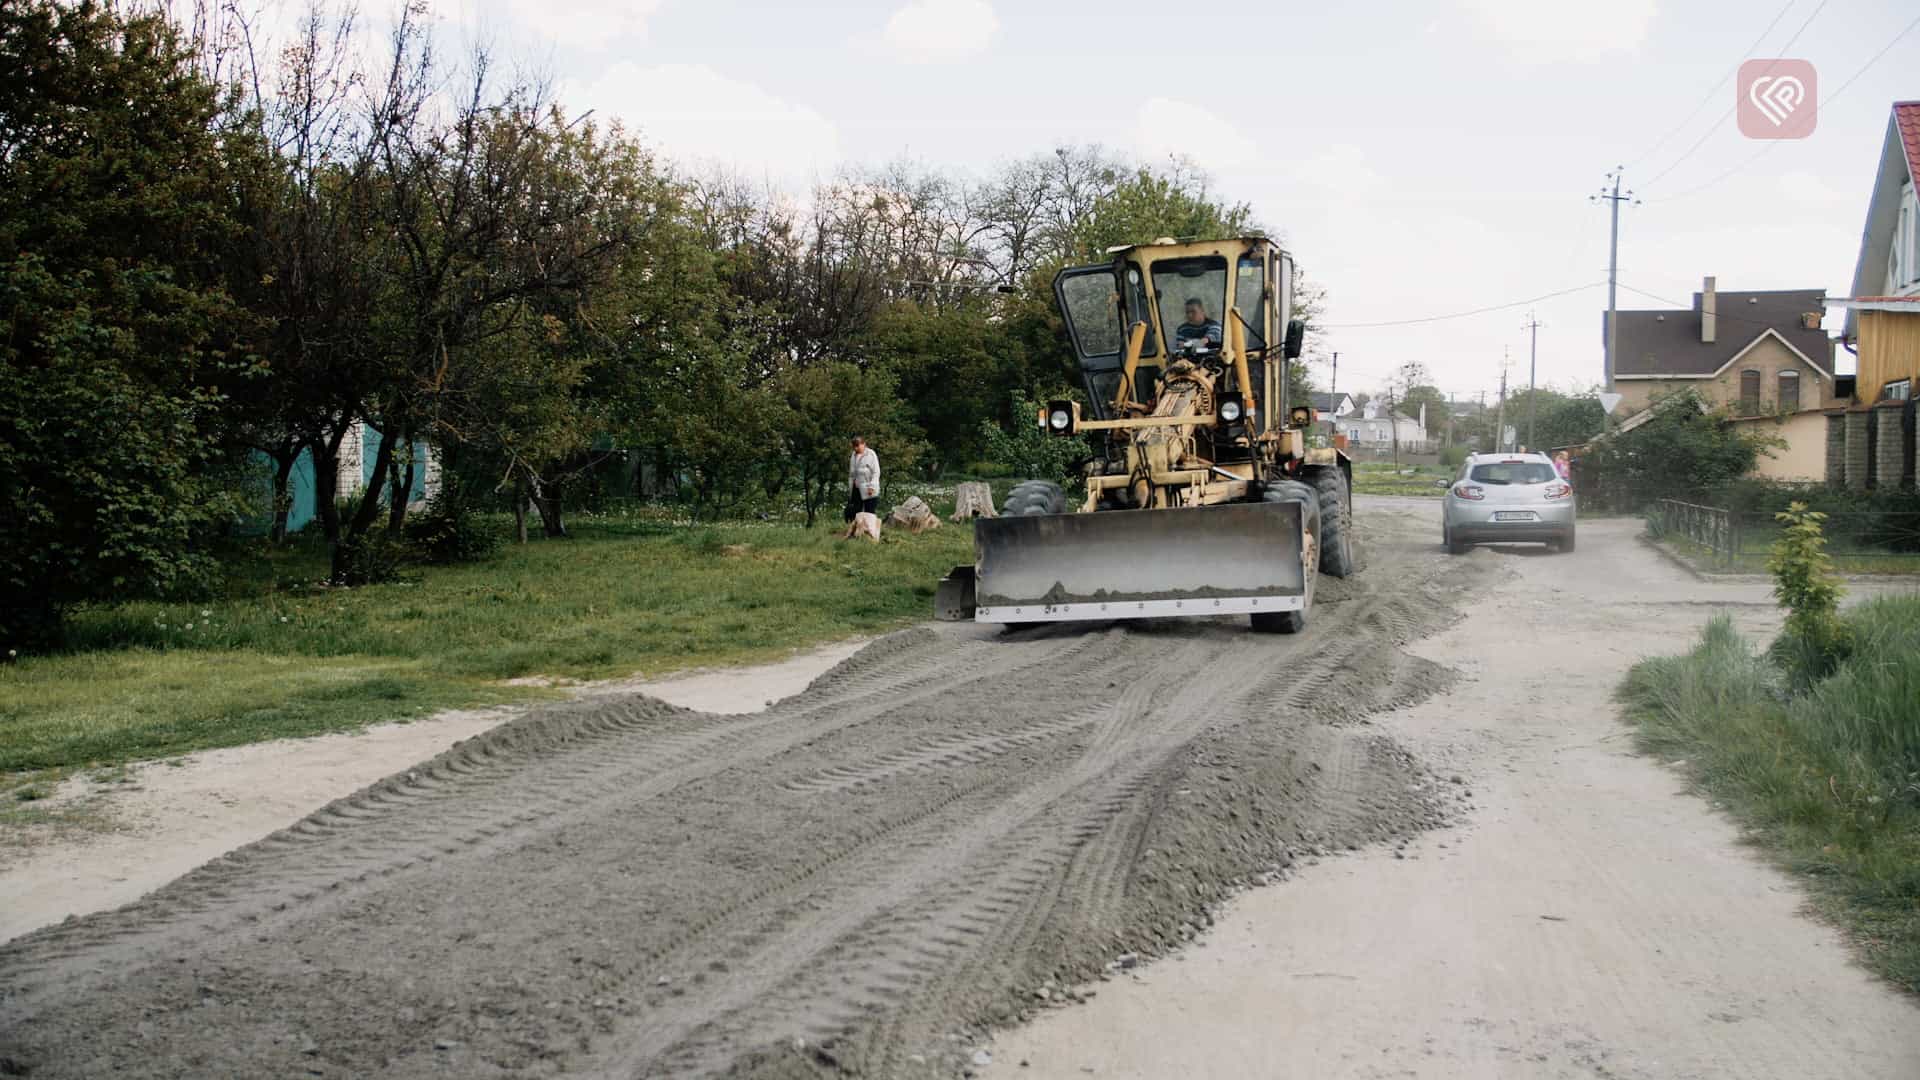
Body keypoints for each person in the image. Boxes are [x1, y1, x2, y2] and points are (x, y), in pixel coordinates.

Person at [845, 435, 880, 523]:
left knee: (870, 512)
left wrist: (872, 487)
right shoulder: (853, 455)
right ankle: (855, 531)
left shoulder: (871, 454)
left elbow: (876, 472)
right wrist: (850, 488)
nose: (856, 448)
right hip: (856, 487)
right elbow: (852, 473)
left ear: (864, 444)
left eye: (858, 445)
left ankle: (871, 533)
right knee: (855, 511)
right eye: (854, 446)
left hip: (869, 487)